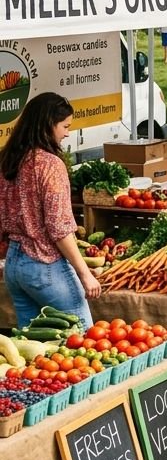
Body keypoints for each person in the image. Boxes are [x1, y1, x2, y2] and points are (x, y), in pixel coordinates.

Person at [0, 93, 100, 327]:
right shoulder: (49, 164)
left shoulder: (6, 160)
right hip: (44, 263)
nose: (67, 133)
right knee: (82, 336)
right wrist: (84, 273)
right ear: (48, 125)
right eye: (65, 126)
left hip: (14, 265)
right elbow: (59, 228)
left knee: (34, 344)